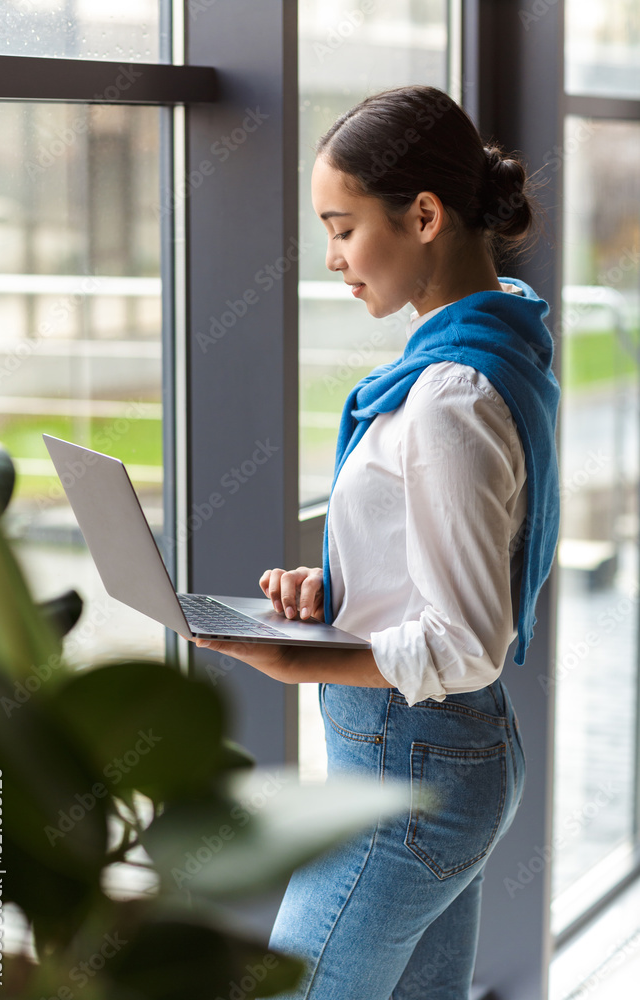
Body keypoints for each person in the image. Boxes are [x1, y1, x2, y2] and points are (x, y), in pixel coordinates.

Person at [189, 85, 560, 1000]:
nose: (332, 259)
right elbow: (449, 555)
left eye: (343, 227)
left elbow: (468, 646)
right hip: (430, 759)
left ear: (424, 215)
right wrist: (334, 591)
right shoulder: (498, 337)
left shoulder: (450, 395)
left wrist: (297, 664)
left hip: (415, 774)